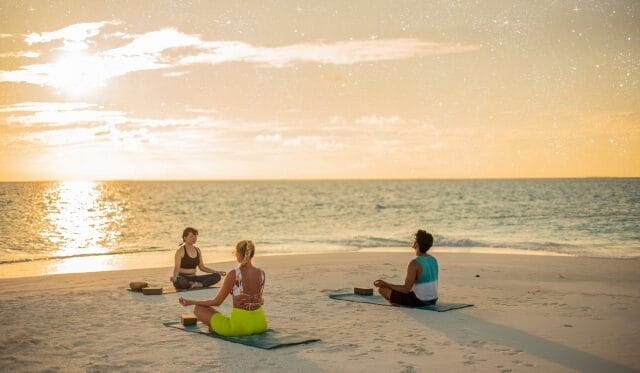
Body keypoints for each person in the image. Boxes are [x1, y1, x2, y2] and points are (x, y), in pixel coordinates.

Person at [178, 240, 267, 336]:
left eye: (236, 252)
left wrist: (191, 302)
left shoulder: (234, 274)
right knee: (220, 315)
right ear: (251, 254)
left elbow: (217, 302)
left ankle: (213, 327)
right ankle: (215, 326)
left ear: (239, 254)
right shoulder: (261, 273)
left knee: (199, 309)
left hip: (240, 327)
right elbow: (260, 301)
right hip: (260, 324)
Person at [373, 229, 438, 307]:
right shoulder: (433, 259)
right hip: (433, 300)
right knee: (394, 290)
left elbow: (406, 289)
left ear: (417, 244)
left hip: (419, 301)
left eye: (414, 240)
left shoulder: (414, 263)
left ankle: (396, 302)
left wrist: (385, 284)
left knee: (382, 290)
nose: (413, 241)